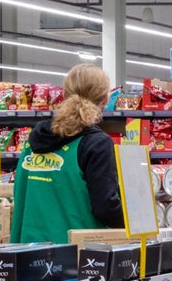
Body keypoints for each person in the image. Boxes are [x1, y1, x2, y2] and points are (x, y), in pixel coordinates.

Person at [13, 63, 125, 243]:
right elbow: (105, 208)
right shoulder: (97, 144)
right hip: (76, 251)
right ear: (105, 99)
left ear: (64, 94)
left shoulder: (32, 141)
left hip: (28, 249)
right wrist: (135, 221)